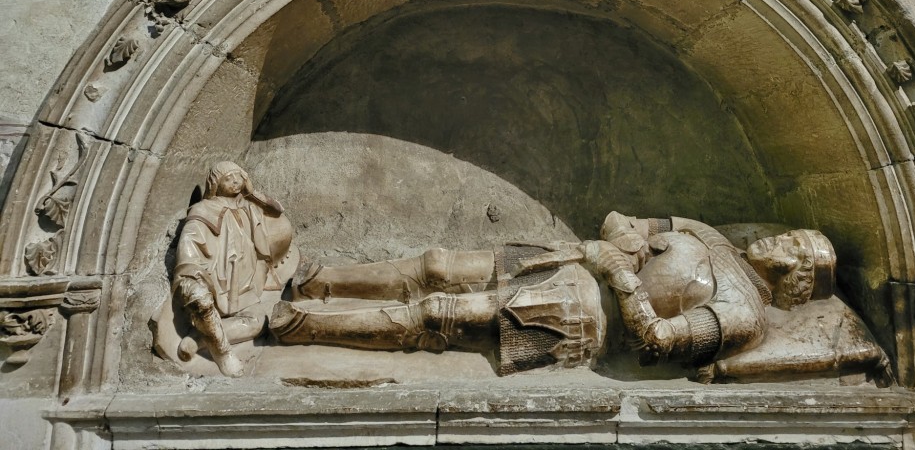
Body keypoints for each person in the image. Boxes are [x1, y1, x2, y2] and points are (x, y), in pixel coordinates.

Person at [269, 211, 837, 376]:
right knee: (437, 265)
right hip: (566, 258)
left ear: (799, 279)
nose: (778, 240)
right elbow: (624, 219)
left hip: (580, 315)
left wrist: (620, 275)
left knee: (437, 314)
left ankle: (301, 327)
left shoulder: (743, 317)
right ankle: (321, 278)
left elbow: (658, 341)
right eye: (789, 234)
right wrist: (624, 240)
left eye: (793, 248)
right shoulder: (709, 235)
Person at [171, 162, 295, 376]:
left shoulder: (248, 206)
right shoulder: (204, 210)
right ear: (215, 184)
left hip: (246, 287)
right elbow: (189, 245)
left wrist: (252, 192)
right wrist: (193, 274)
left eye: (239, 176)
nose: (235, 181)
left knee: (257, 323)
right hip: (217, 284)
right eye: (228, 178)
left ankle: (199, 339)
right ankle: (222, 350)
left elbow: (277, 210)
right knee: (201, 299)